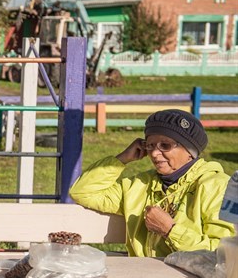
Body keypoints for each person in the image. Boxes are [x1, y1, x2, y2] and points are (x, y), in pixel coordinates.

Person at [69, 109, 235, 257]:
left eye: (165, 145)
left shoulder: (216, 186)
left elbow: (223, 254)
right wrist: (122, 159)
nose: (155, 153)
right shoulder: (140, 185)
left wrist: (170, 230)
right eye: (149, 145)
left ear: (190, 151)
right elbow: (82, 192)